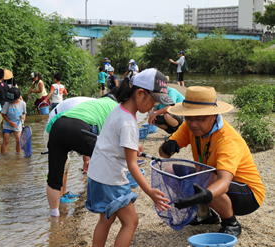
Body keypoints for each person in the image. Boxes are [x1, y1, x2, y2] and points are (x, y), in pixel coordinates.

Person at [159, 86, 265, 237]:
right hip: (213, 181)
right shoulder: (189, 126)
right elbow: (163, 154)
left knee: (205, 178)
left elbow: (224, 181)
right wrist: (166, 146)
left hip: (248, 194)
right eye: (189, 118)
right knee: (171, 171)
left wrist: (205, 195)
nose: (193, 124)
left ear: (214, 115)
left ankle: (231, 223)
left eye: (200, 118)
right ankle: (205, 214)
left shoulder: (227, 139)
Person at [86, 68, 174, 246]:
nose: (154, 107)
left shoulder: (119, 110)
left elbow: (113, 141)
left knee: (106, 219)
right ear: (140, 93)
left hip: (98, 174)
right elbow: (132, 165)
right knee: (131, 221)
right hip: (111, 180)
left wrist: (133, 147)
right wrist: (150, 192)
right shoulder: (129, 123)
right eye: (154, 102)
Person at [46, 91, 119, 217]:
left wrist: (86, 159)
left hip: (57, 126)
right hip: (78, 128)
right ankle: (104, 199)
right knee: (107, 158)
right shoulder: (115, 108)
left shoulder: (92, 103)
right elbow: (103, 139)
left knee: (54, 177)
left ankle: (54, 217)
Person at [1, 87, 27, 154]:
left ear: (18, 97)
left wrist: (24, 116)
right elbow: (3, 114)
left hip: (17, 125)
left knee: (18, 140)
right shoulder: (7, 104)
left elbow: (24, 112)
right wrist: (9, 122)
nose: (11, 102)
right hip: (7, 125)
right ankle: (2, 155)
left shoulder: (23, 104)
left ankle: (18, 155)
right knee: (6, 141)